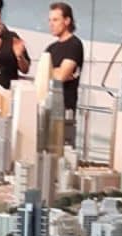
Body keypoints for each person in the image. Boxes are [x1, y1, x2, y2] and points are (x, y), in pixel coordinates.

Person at [44, 2, 84, 145]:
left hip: (64, 109)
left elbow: (60, 77)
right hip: (46, 107)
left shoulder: (74, 45)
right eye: (50, 20)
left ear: (67, 21)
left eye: (55, 20)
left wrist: (53, 73)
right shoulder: (50, 48)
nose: (51, 24)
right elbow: (42, 76)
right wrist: (55, 72)